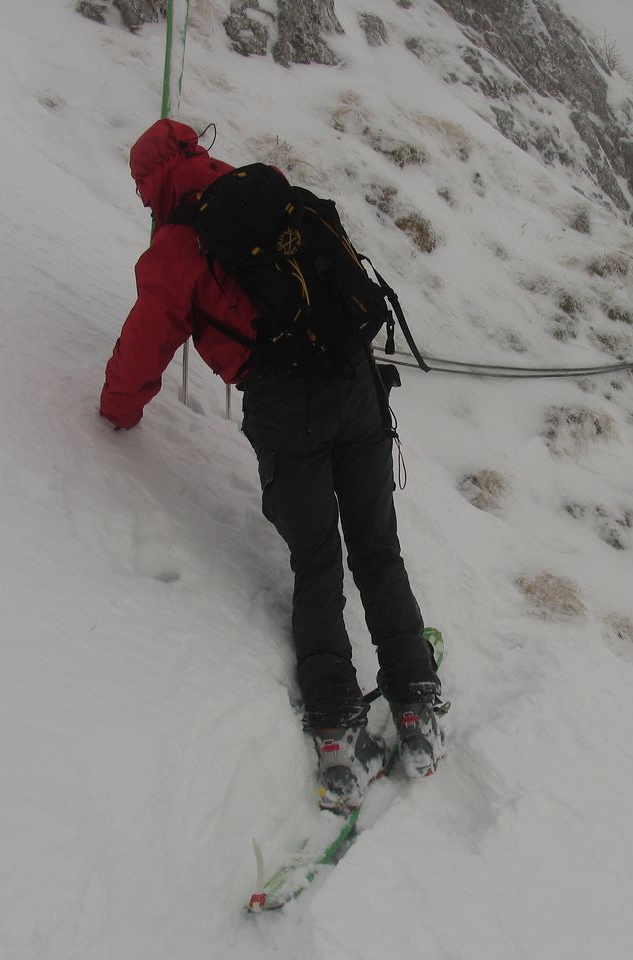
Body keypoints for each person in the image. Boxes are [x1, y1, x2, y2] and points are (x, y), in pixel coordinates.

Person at [99, 118, 445, 809]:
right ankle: (415, 698)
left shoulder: (175, 250)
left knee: (317, 561)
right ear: (196, 151)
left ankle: (335, 724)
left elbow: (145, 346)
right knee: (377, 544)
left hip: (287, 409)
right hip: (356, 381)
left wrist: (119, 409)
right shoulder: (266, 189)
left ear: (148, 185)